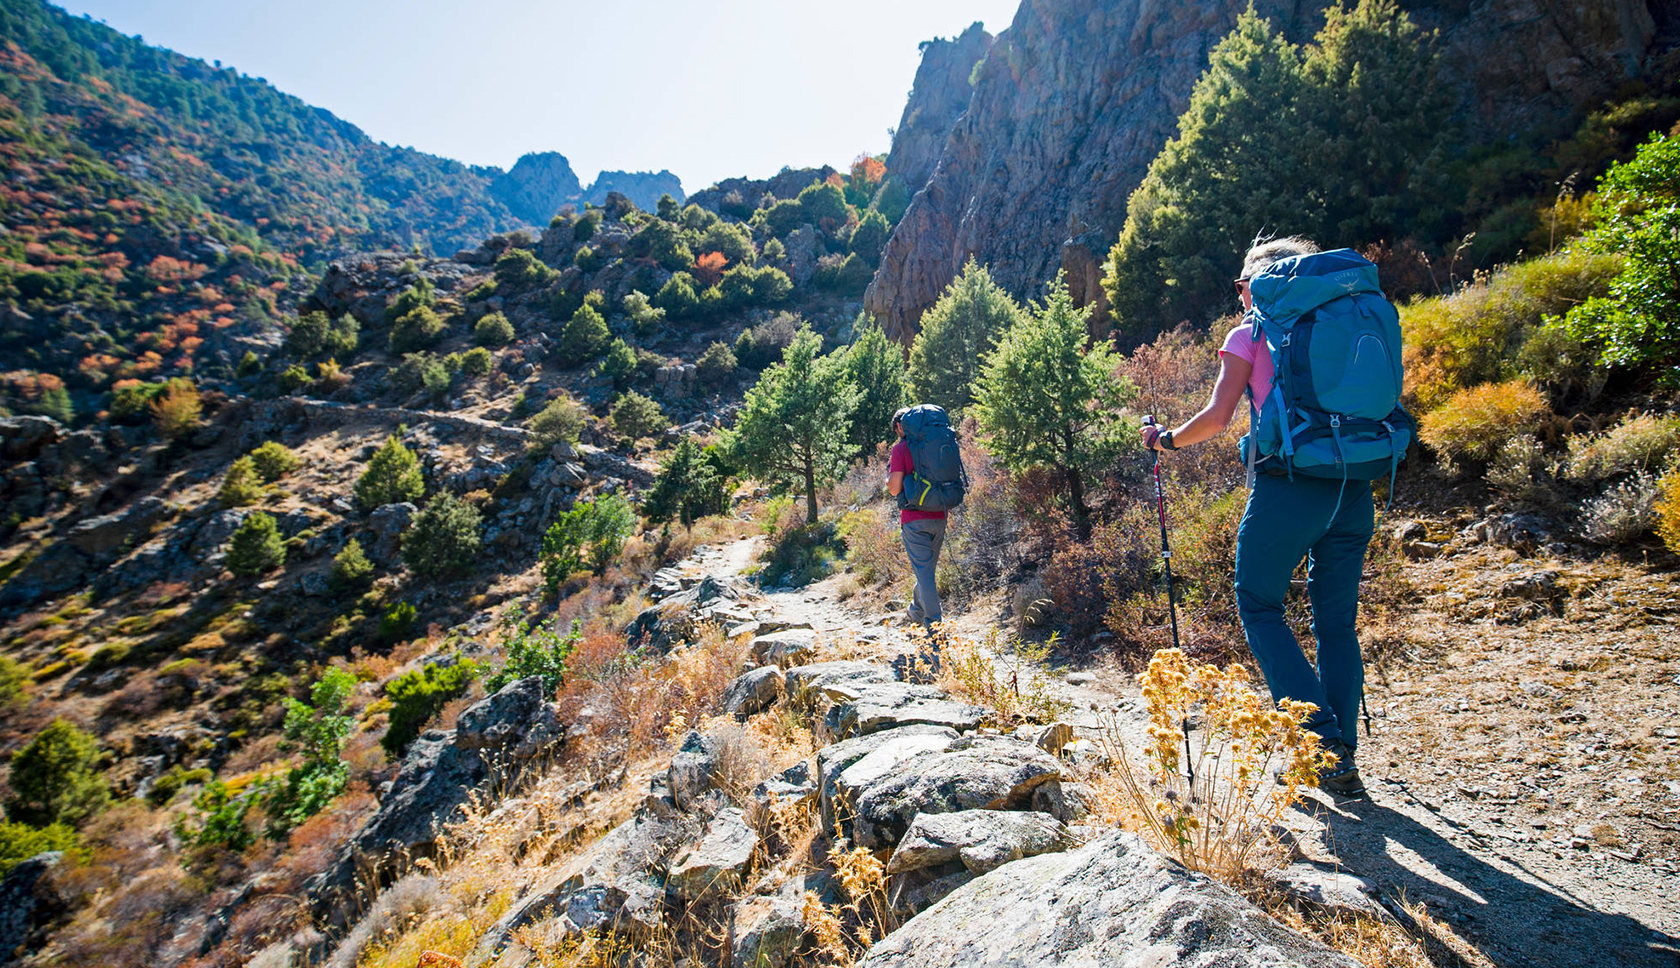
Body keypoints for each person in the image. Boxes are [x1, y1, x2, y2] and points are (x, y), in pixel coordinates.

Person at [1140, 236, 1372, 798]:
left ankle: (1320, 744)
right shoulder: (1346, 318)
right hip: (1356, 482)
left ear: (1257, 285)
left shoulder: (1251, 333)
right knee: (1336, 622)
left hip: (1290, 486)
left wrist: (1166, 439)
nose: (1241, 295)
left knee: (1259, 604)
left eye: (1242, 286)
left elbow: (1218, 417)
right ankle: (1341, 752)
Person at [886, 407, 946, 628]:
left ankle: (934, 624)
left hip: (913, 519)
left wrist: (888, 481)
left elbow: (894, 489)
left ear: (900, 426)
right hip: (940, 514)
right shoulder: (934, 445)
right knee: (927, 571)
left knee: (925, 573)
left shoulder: (901, 449)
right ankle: (917, 609)